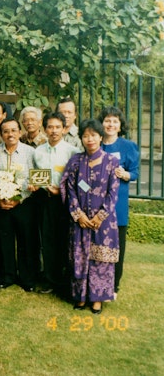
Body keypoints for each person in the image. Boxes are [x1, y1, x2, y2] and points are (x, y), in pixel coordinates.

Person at [60, 119, 120, 314]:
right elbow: (69, 189)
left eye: (93, 135)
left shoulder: (112, 162)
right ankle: (80, 297)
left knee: (100, 259)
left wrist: (99, 217)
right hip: (80, 222)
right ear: (82, 139)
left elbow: (113, 193)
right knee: (80, 257)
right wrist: (78, 215)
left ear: (100, 137)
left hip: (104, 224)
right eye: (86, 136)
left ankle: (98, 299)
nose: (90, 139)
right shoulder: (76, 161)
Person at [0, 118, 38, 292]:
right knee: (3, 241)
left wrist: (19, 197)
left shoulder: (30, 152)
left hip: (23, 203)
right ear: (1, 134)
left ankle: (27, 278)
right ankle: (6, 276)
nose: (10, 134)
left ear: (19, 132)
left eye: (14, 130)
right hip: (1, 204)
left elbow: (32, 177)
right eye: (6, 131)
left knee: (26, 241)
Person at [29, 113, 78, 295]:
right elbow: (34, 175)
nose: (54, 131)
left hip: (64, 201)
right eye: (50, 127)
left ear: (64, 129)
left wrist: (61, 191)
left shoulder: (71, 152)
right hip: (44, 200)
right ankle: (49, 279)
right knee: (47, 240)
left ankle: (65, 281)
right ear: (45, 128)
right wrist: (34, 185)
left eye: (58, 127)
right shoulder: (38, 152)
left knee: (65, 240)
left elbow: (75, 179)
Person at [99, 106, 140, 298]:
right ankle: (97, 281)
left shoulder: (128, 146)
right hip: (97, 203)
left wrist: (126, 174)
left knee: (117, 245)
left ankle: (114, 285)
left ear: (120, 125)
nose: (110, 124)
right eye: (107, 120)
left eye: (115, 121)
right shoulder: (96, 144)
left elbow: (136, 173)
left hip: (118, 204)